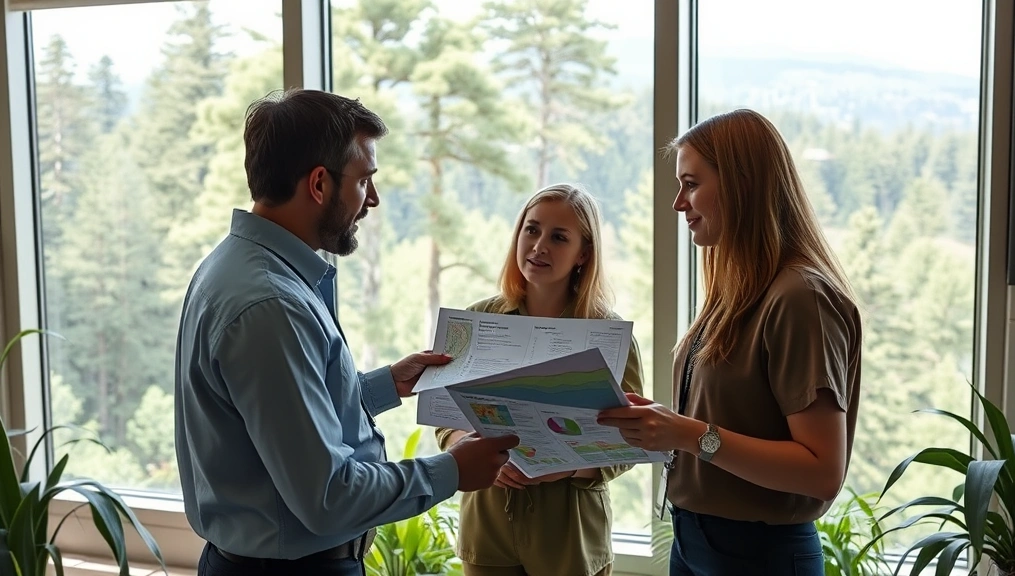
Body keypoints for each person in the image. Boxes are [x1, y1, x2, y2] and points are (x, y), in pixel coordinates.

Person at [174, 88, 519, 576]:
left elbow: (278, 418)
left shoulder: (235, 266)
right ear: (318, 184)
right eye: (364, 181)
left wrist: (384, 385)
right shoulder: (271, 306)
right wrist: (453, 470)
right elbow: (327, 496)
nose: (372, 199)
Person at [597, 109, 862, 576]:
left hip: (759, 554)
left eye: (691, 183)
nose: (679, 203)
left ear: (742, 184)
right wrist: (659, 427)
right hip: (695, 541)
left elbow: (822, 471)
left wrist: (686, 433)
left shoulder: (800, 296)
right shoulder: (738, 288)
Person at [435, 184, 645, 576]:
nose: (539, 246)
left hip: (570, 539)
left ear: (584, 253)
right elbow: (446, 415)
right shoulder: (477, 319)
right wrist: (470, 450)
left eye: (559, 237)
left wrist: (566, 467)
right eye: (531, 230)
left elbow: (633, 440)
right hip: (488, 528)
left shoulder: (610, 335)